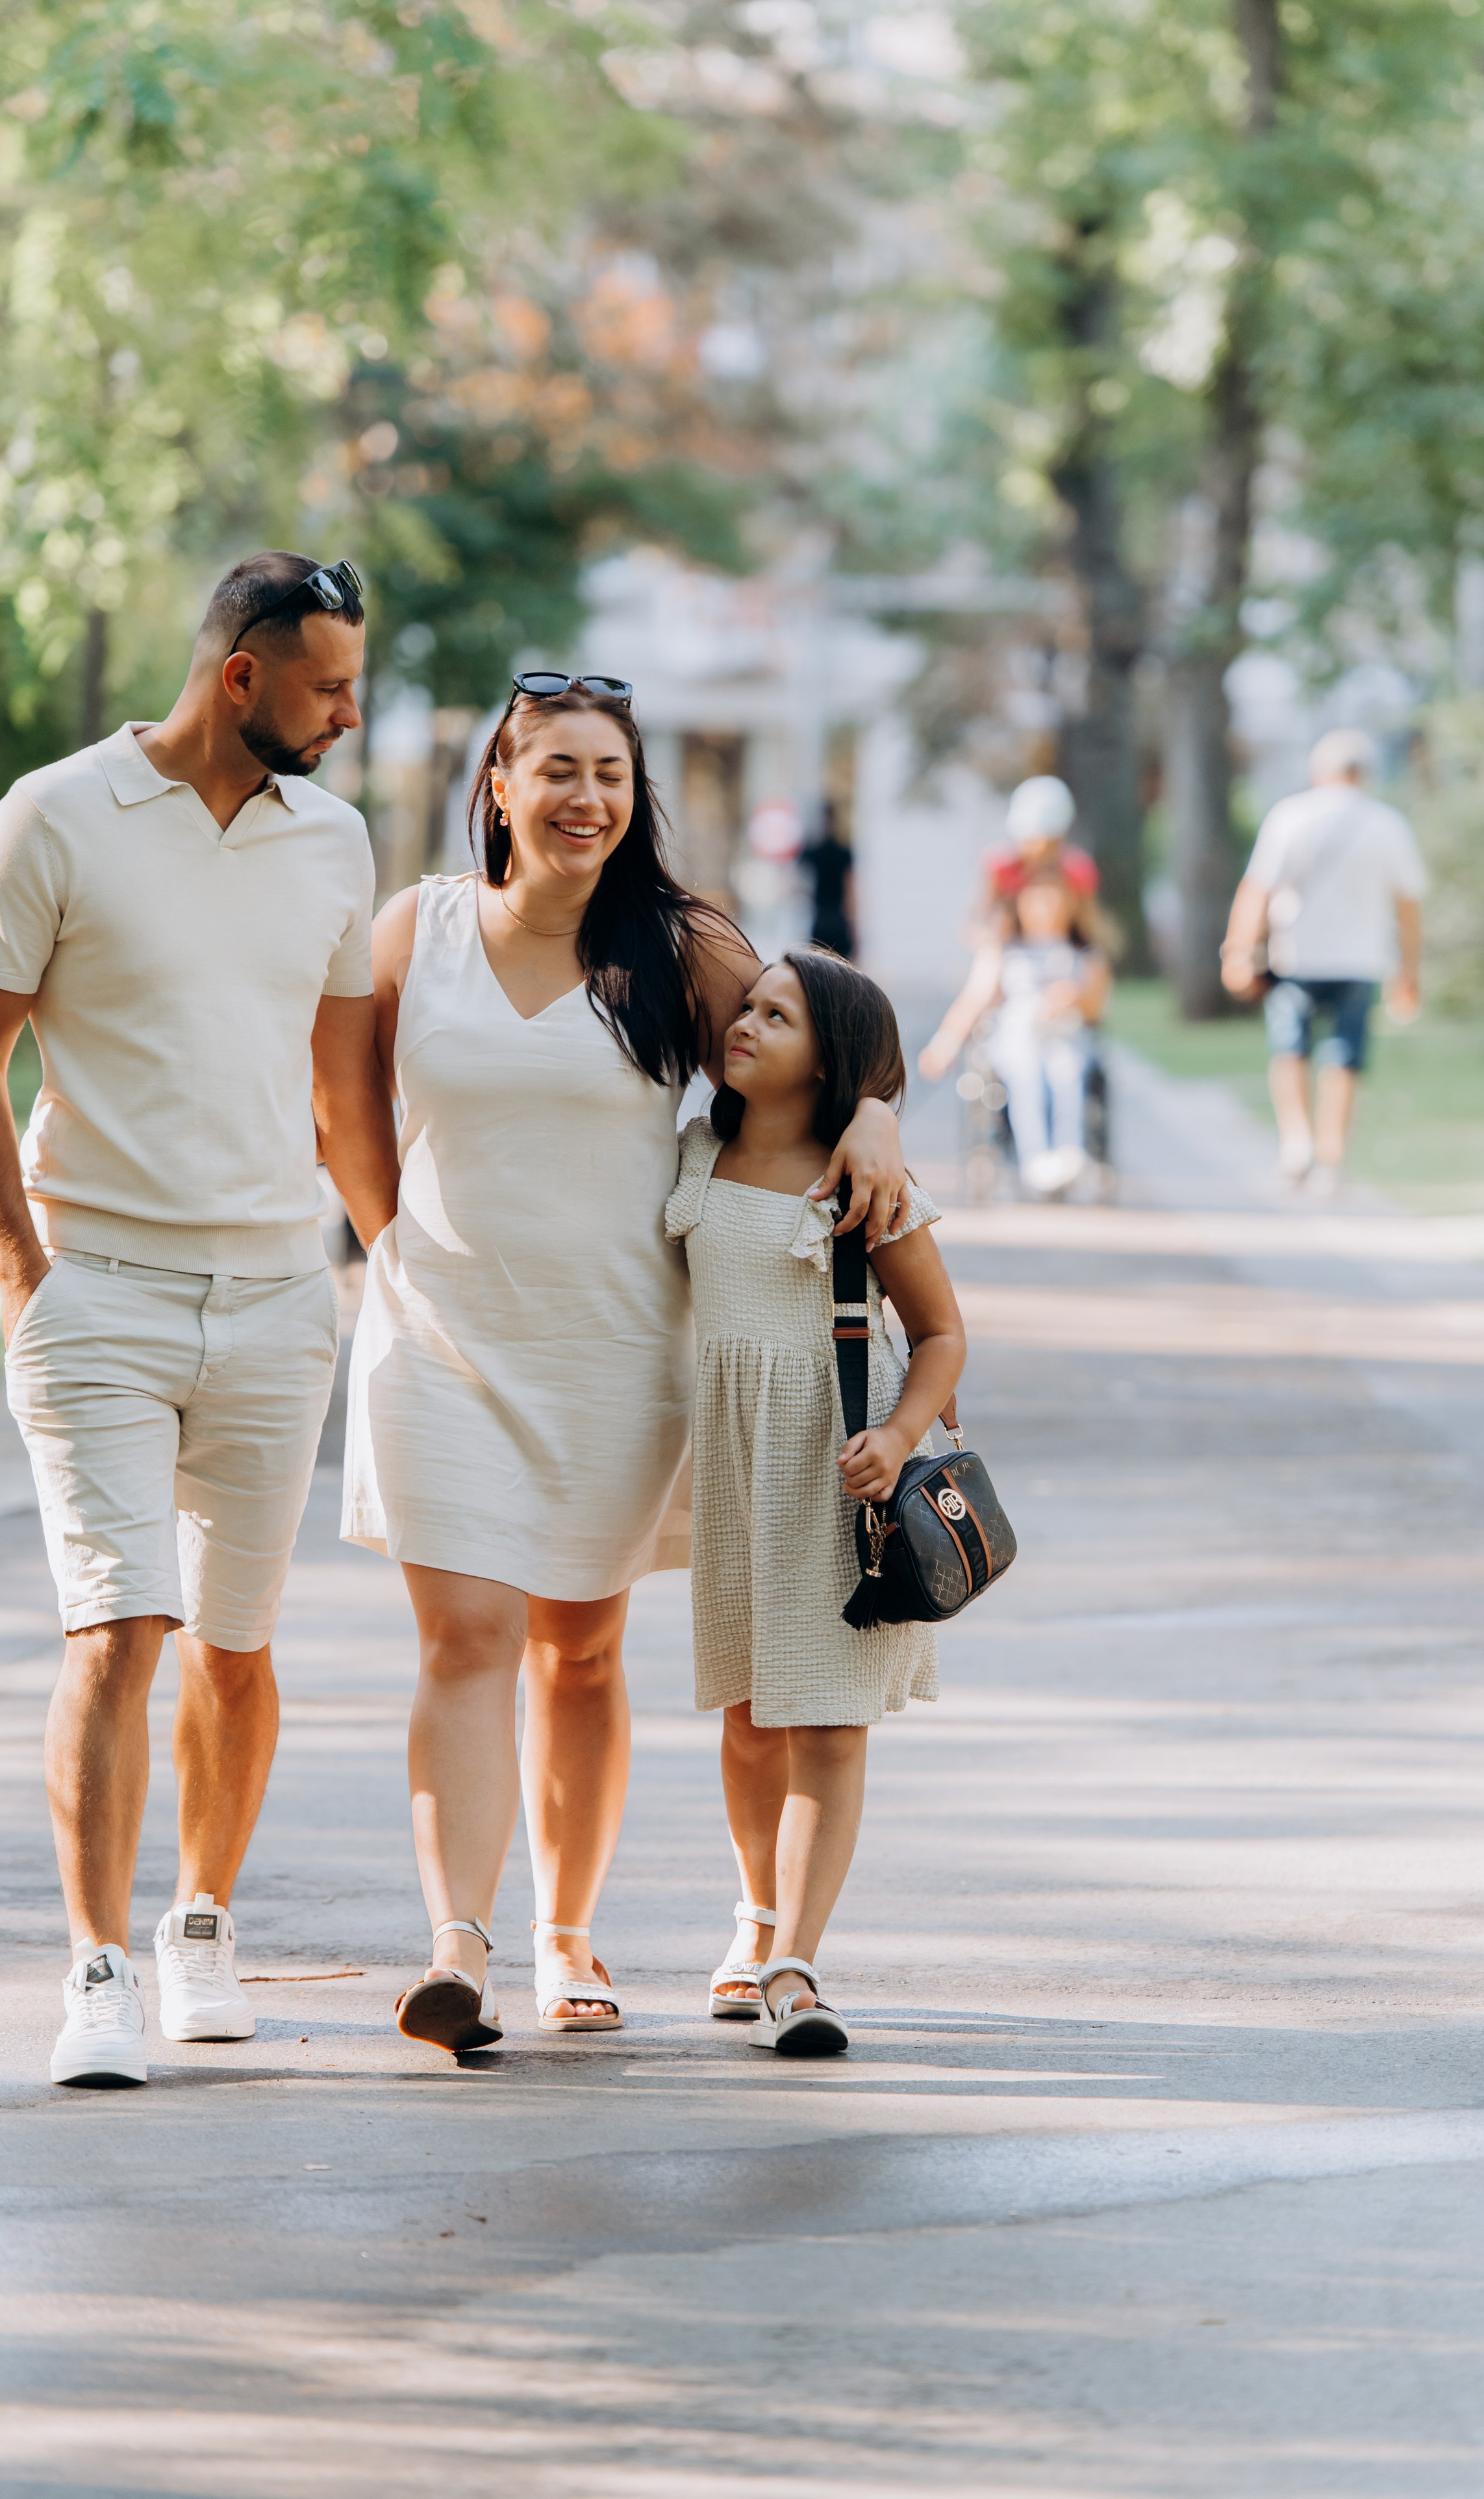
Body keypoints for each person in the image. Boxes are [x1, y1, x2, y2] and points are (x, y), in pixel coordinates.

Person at [340, 675, 911, 2059]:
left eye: (609, 772)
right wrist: (389, 1249)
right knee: (463, 1639)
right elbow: (342, 1101)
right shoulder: (416, 929)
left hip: (615, 1350)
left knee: (578, 1649)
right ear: (500, 783)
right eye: (556, 770)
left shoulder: (678, 943)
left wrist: (878, 1112)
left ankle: (565, 1931)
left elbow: (815, 1035)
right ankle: (457, 1947)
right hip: (437, 1341)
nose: (585, 797)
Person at [0, 553, 401, 2089]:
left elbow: (343, 1094)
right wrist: (20, 1269)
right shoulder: (54, 813)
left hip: (277, 1298)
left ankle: (202, 1921)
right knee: (115, 1623)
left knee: (237, 1644)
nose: (349, 710)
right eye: (329, 683)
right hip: (99, 1291)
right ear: (241, 676)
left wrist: (386, 1261)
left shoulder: (335, 844)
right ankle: (97, 1962)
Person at [667, 949, 965, 2053]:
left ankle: (796, 1961)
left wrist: (896, 1436)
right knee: (750, 1714)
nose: (744, 1023)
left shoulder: (864, 1183)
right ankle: (757, 1915)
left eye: (777, 1016)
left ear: (829, 1057)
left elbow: (942, 1333)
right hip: (739, 1475)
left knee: (828, 1723)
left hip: (837, 1472)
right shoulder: (697, 1150)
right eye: (746, 1007)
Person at [1221, 729, 1426, 1194]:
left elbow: (1257, 889)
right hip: (1362, 959)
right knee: (1345, 1058)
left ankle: (1297, 1142)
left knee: (1290, 1049)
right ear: (1366, 774)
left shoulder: (1291, 817)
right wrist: (1409, 971)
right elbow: (1409, 907)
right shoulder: (1387, 824)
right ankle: (1331, 1155)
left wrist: (1237, 951)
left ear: (1320, 771)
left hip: (1296, 955)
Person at [919, 868, 1112, 1196]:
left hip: (1065, 1035)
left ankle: (1069, 1151)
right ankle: (1035, 1159)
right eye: (1038, 899)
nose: (1046, 907)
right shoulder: (1004, 951)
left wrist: (1073, 995)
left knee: (1067, 1068)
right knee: (1026, 1071)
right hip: (1016, 1036)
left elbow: (1097, 1009)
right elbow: (975, 1000)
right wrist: (945, 1043)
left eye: (1055, 898)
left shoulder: (1085, 955)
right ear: (1021, 905)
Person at [970, 773, 1100, 940]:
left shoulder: (1077, 872)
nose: (1038, 848)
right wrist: (993, 942)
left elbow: (1091, 929)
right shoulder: (1001, 869)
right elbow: (976, 923)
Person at [799, 799, 855, 959]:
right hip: (838, 919)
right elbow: (849, 890)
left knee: (820, 969)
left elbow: (801, 865)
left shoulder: (816, 851)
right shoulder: (844, 852)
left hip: (821, 919)